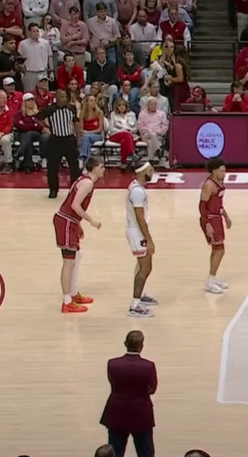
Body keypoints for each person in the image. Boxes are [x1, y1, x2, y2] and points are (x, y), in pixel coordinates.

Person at [53, 156, 105, 313]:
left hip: (70, 222)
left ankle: (74, 294)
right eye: (102, 166)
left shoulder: (85, 180)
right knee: (68, 262)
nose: (104, 169)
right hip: (66, 221)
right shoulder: (87, 183)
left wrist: (78, 224)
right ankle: (67, 301)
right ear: (94, 168)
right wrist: (91, 221)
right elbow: (75, 205)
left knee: (76, 257)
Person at [100, 330, 157, 457]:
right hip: (141, 414)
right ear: (142, 346)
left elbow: (112, 381)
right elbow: (152, 389)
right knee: (145, 452)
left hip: (117, 413)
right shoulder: (148, 366)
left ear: (125, 343)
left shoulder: (113, 364)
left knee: (115, 452)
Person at [126, 161, 159, 319]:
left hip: (137, 232)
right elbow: (140, 218)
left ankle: (140, 295)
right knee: (145, 268)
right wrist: (149, 240)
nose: (153, 172)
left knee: (142, 266)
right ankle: (135, 305)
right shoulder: (138, 192)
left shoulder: (136, 186)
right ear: (141, 172)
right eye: (150, 170)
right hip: (137, 232)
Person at [39, 88, 81, 198]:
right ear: (56, 98)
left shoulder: (72, 108)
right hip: (55, 140)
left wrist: (78, 137)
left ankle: (75, 188)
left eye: (65, 97)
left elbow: (76, 122)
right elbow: (37, 118)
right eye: (62, 97)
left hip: (69, 139)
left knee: (74, 166)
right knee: (52, 167)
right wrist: (46, 127)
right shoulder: (50, 109)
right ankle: (53, 190)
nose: (64, 99)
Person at [199, 157, 232, 294]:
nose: (224, 173)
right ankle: (210, 281)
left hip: (217, 217)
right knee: (219, 249)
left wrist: (226, 215)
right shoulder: (209, 185)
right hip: (210, 219)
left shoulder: (220, 182)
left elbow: (218, 203)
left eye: (225, 171)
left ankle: (213, 278)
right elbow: (202, 206)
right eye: (222, 171)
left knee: (218, 249)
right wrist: (207, 224)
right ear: (214, 171)